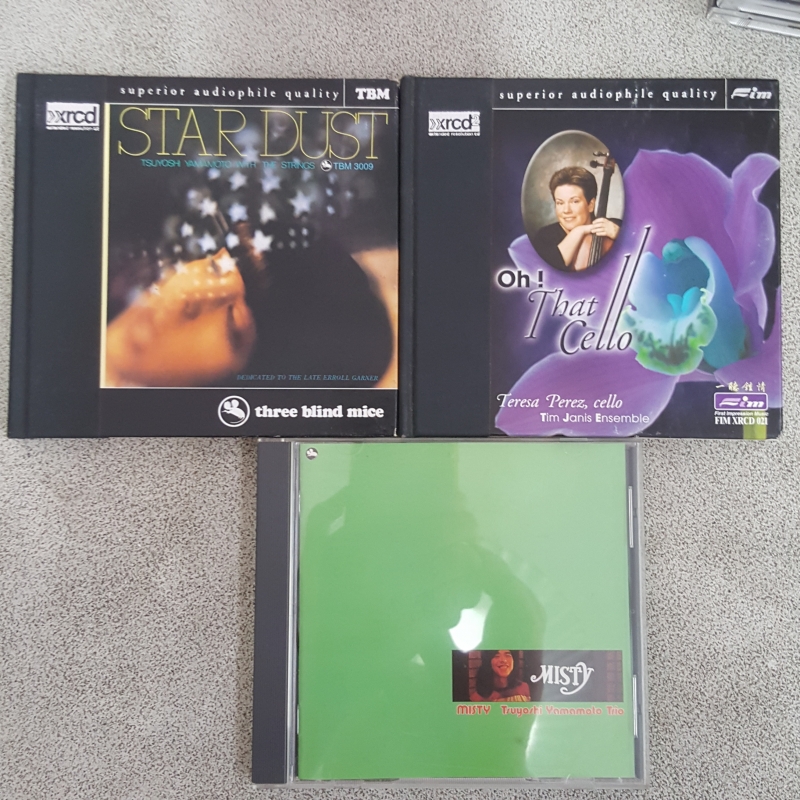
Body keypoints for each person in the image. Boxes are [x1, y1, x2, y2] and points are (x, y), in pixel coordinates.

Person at [532, 166, 620, 272]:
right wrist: (579, 231)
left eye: (575, 201)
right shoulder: (544, 237)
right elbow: (550, 269)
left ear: (590, 205)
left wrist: (620, 234)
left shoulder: (614, 226)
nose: (566, 210)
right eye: (560, 203)